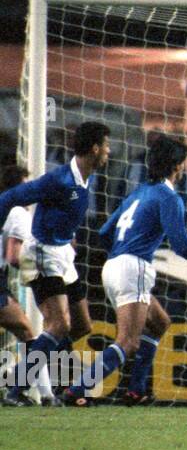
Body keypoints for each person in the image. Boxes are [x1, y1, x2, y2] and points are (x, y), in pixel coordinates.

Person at [63, 135, 187, 405]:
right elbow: (183, 247)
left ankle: (136, 390)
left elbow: (104, 232)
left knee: (160, 322)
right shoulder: (169, 197)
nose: (184, 168)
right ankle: (76, 391)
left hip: (113, 266)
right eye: (182, 163)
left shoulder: (138, 193)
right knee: (128, 342)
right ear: (175, 166)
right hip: (133, 268)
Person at [0, 122, 110, 406]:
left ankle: (36, 364)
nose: (109, 152)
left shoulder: (83, 180)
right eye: (106, 146)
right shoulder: (59, 180)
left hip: (63, 254)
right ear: (95, 148)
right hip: (42, 253)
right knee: (59, 324)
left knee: (81, 325)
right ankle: (17, 387)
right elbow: (10, 197)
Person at [0, 165, 38, 397]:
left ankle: (21, 390)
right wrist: (38, 268)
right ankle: (22, 390)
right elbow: (14, 257)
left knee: (24, 330)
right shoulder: (17, 212)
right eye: (27, 186)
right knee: (26, 330)